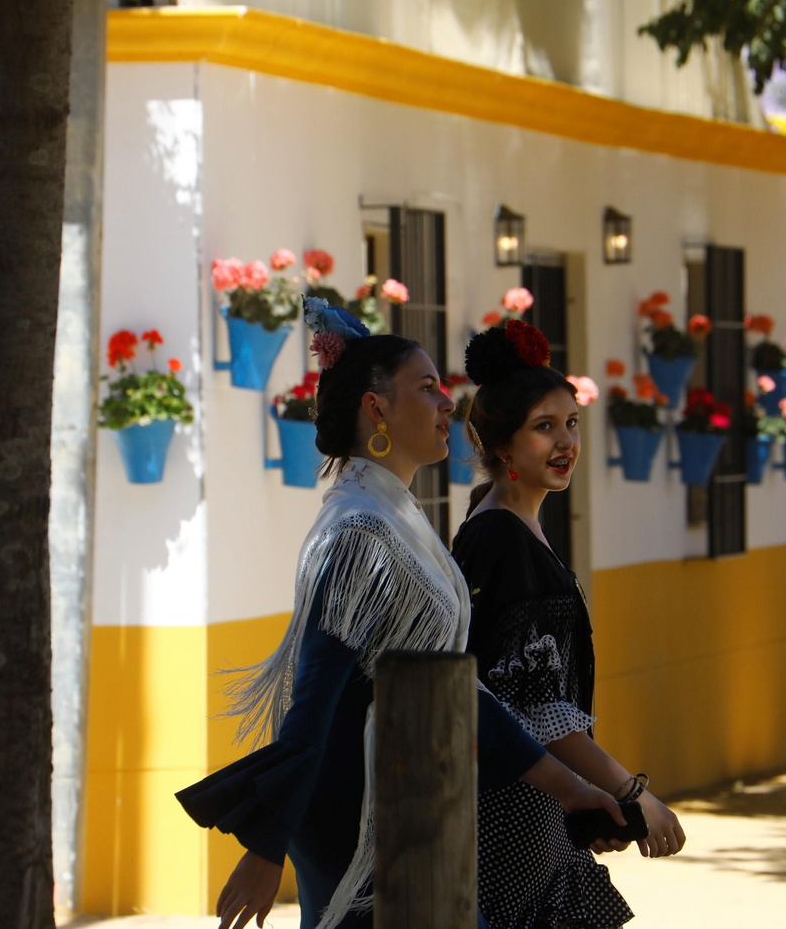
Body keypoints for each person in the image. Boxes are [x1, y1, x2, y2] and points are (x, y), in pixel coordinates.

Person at [178, 299, 626, 929]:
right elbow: (314, 702)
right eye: (427, 388)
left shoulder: (396, 519)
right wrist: (265, 846)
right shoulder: (361, 530)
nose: (449, 404)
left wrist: (570, 788)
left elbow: (452, 688)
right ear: (377, 408)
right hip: (360, 814)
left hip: (411, 803)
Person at [451, 320, 686, 929]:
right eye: (543, 427)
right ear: (502, 446)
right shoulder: (502, 538)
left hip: (529, 797)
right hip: (511, 808)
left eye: (571, 423)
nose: (565, 443)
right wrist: (632, 792)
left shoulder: (504, 525)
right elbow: (538, 710)